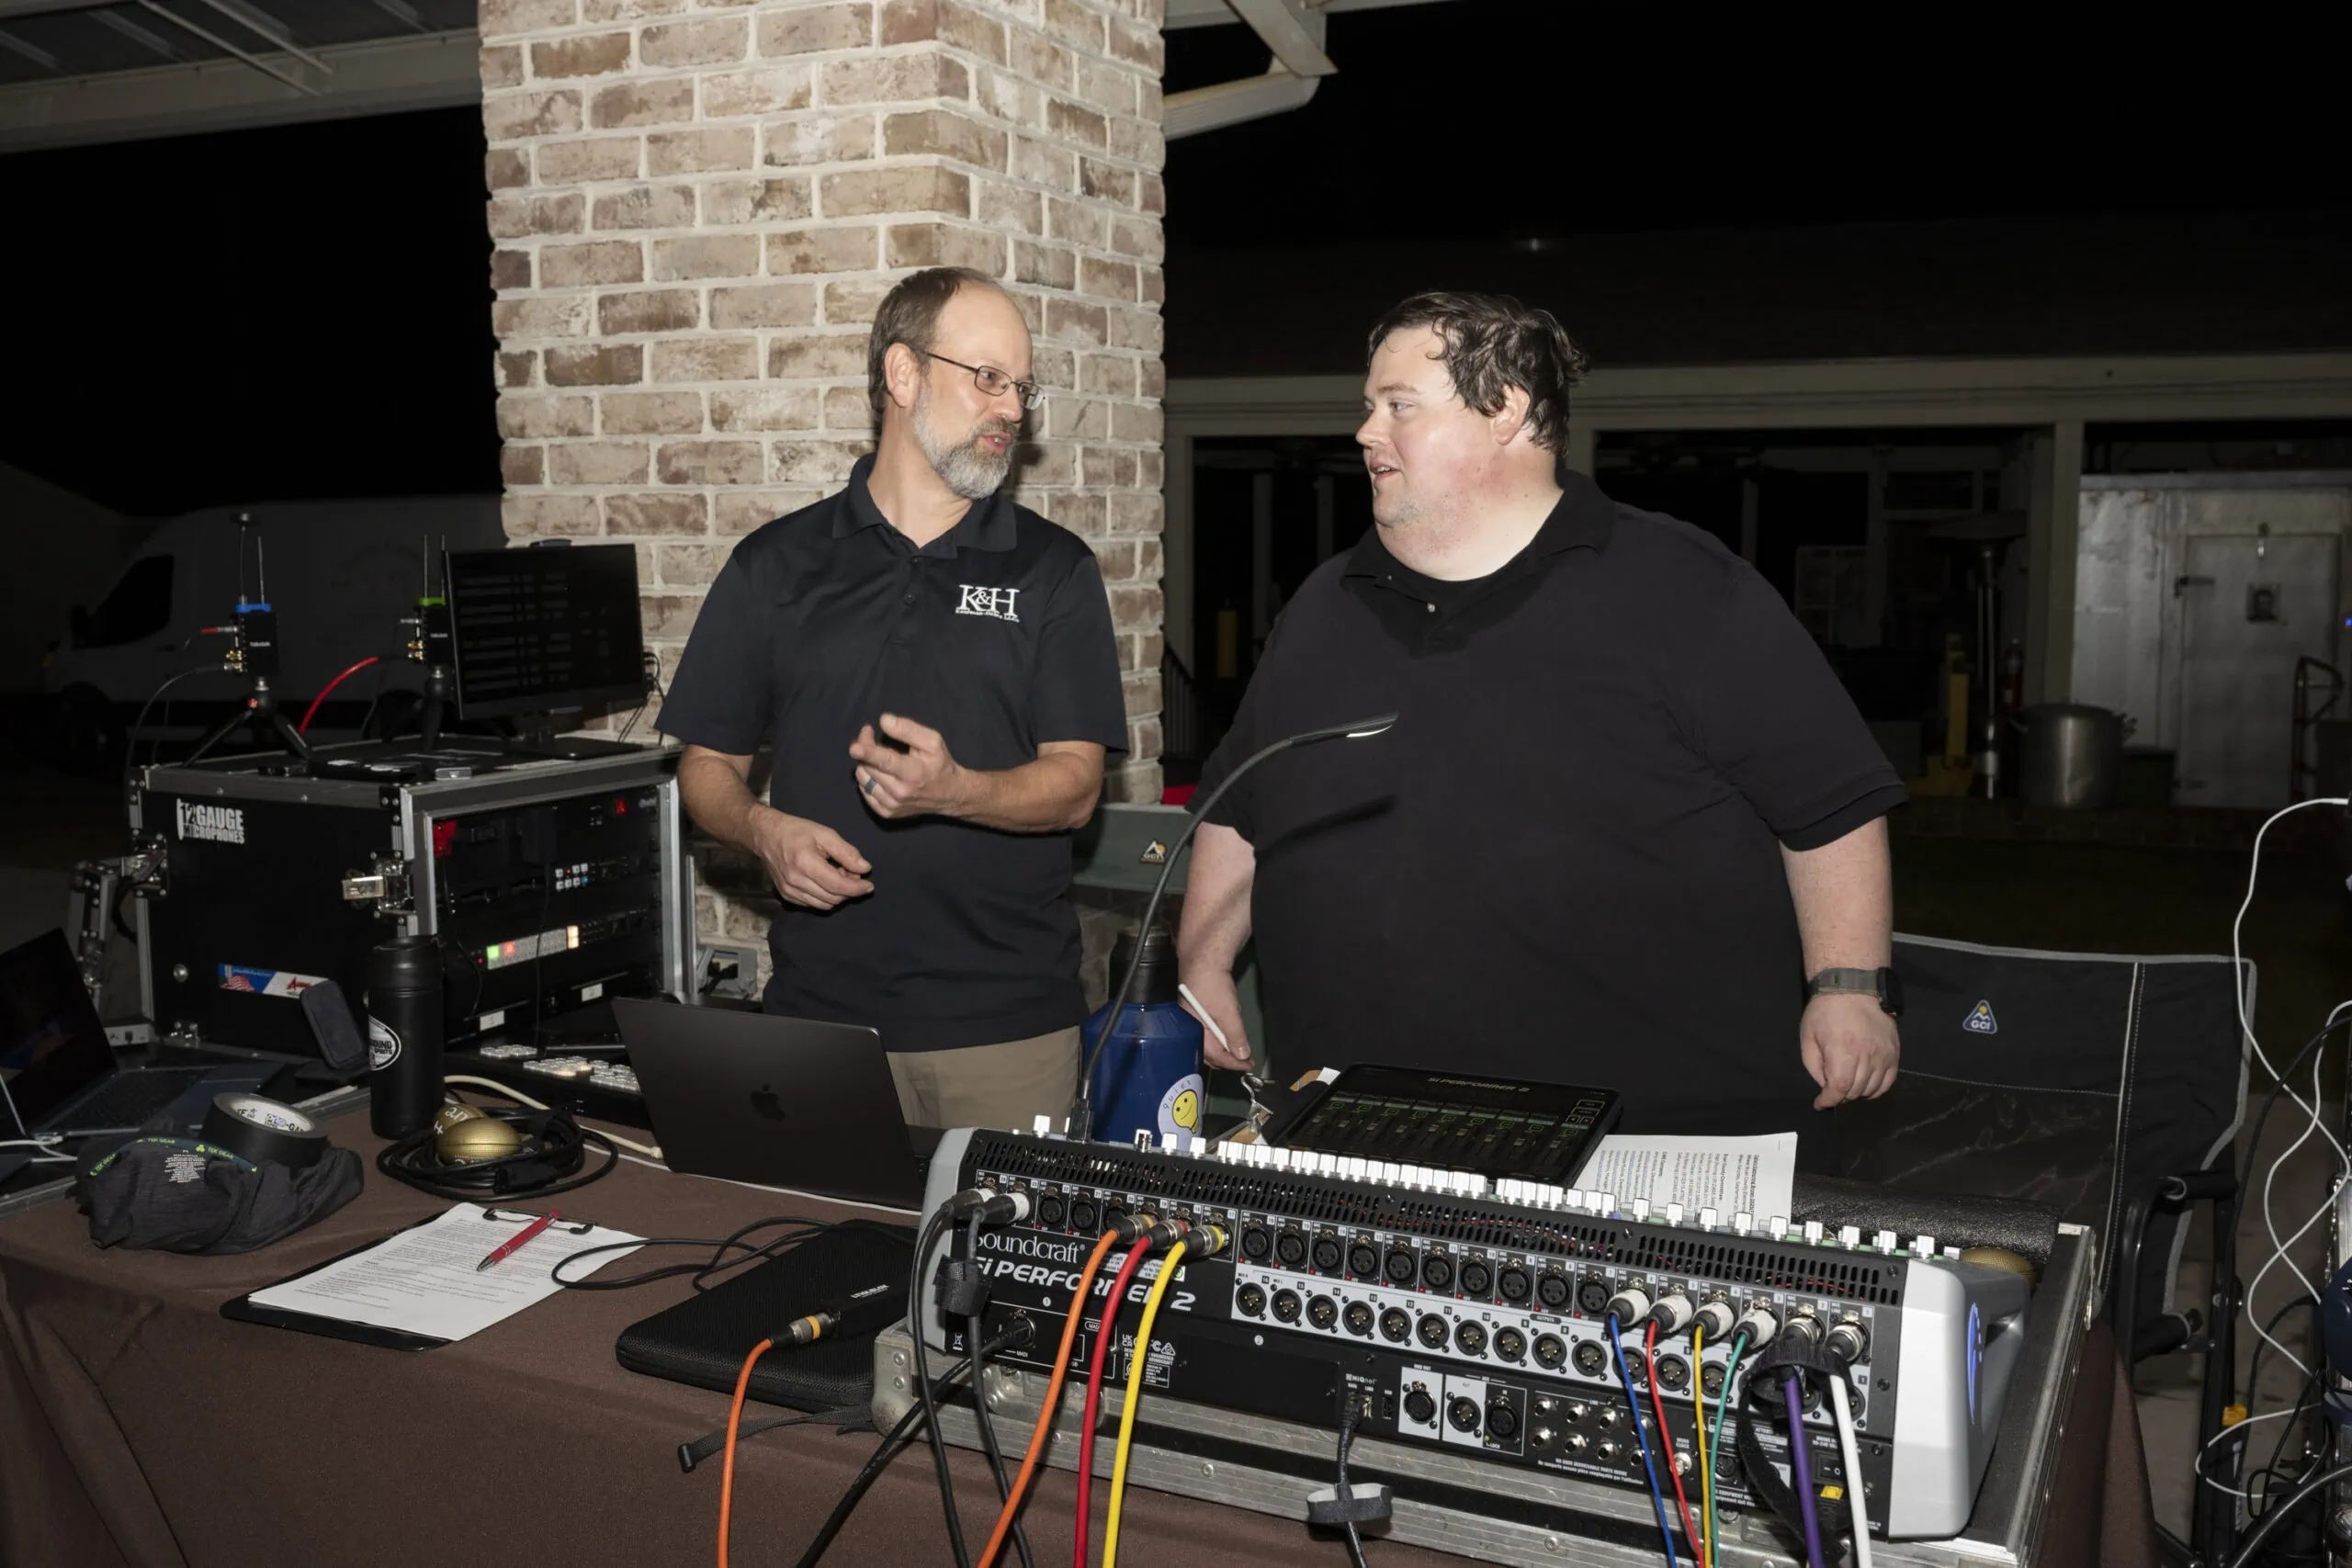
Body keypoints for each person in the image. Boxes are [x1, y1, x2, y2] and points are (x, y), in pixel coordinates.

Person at [1175, 291, 1905, 1171]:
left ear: (1507, 411)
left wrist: (1850, 985)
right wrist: (1203, 958)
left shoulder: (1684, 588)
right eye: (1369, 406)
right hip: (1358, 1129)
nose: (1366, 432)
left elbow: (1830, 801)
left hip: (1646, 1143)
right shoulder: (1325, 606)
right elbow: (1240, 800)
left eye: (1400, 406)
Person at [658, 266, 1128, 1132]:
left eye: (1021, 387)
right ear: (903, 374)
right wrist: (762, 830)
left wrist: (956, 791)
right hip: (820, 1022)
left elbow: (1076, 787)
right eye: (987, 377)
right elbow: (704, 765)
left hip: (1006, 1030)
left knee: (995, 1232)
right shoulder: (775, 565)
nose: (1012, 408)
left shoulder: (1054, 569)